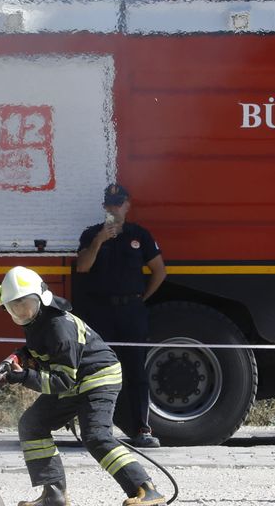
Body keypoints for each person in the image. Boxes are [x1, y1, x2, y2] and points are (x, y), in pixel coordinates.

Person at [0, 266, 166, 506]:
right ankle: (53, 496)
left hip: (98, 378)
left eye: (26, 304)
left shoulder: (59, 327)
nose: (22, 312)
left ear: (41, 298)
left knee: (96, 436)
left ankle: (146, 490)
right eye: (15, 307)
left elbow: (63, 381)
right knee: (32, 425)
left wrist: (24, 377)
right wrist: (23, 356)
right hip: (74, 381)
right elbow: (46, 353)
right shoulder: (38, 320)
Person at [75, 183, 167, 448]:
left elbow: (159, 272)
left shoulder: (140, 235)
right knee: (99, 370)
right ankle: (99, 430)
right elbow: (82, 267)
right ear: (104, 206)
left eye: (120, 203)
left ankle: (142, 429)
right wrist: (99, 241)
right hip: (100, 311)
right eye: (111, 204)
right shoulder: (91, 234)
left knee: (136, 369)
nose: (115, 208)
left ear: (128, 205)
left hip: (131, 311)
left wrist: (141, 300)